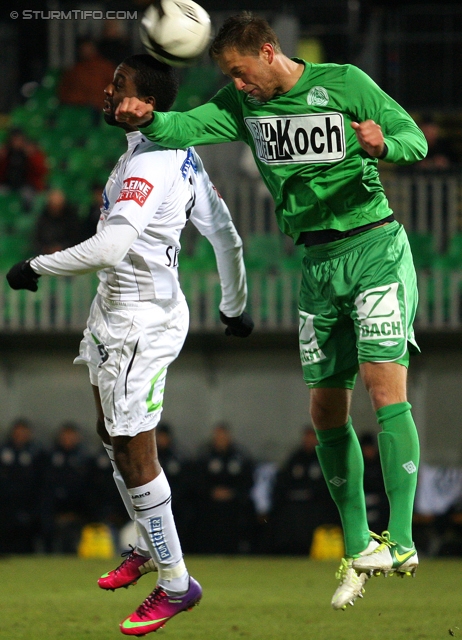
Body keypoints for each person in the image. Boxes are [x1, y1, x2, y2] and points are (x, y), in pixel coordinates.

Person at [114, 12, 427, 611]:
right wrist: (149, 117)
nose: (238, 84)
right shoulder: (240, 104)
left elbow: (415, 138)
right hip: (315, 265)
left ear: (267, 51)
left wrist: (383, 143)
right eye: (229, 76)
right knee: (325, 410)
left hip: (374, 247)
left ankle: (405, 542)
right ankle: (359, 549)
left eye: (240, 72)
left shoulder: (346, 82)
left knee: (382, 386)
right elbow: (187, 124)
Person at [6, 53, 253, 636]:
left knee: (135, 452)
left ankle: (175, 583)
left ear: (148, 104)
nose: (107, 94)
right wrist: (234, 308)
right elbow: (225, 235)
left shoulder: (154, 163)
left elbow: (111, 248)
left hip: (141, 321)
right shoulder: (175, 157)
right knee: (110, 437)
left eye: (118, 88)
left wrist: (35, 266)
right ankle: (147, 542)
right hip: (113, 314)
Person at [269, 426, 339, 555]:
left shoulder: (323, 458)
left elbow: (330, 482)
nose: (308, 440)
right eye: (306, 437)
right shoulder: (295, 458)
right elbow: (283, 481)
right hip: (294, 504)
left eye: (312, 437)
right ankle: (288, 550)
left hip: (316, 504)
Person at [192, 422, 255, 554]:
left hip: (233, 506)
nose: (220, 439)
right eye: (217, 436)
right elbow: (197, 481)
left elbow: (248, 481)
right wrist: (211, 492)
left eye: (223, 436)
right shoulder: (205, 456)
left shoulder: (240, 457)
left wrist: (233, 493)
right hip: (210, 505)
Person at [0, 418, 44, 553]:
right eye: (18, 432)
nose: (20, 435)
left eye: (23, 432)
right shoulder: (3, 451)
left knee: (26, 544)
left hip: (27, 507)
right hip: (4, 507)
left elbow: (40, 484)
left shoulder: (36, 453)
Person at [58, 38, 116, 114]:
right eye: (83, 49)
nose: (86, 51)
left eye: (88, 48)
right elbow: (64, 91)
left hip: (100, 109)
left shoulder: (105, 67)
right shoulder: (74, 70)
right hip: (77, 109)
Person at [33, 187, 82, 255]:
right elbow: (38, 239)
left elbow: (76, 238)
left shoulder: (71, 218)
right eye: (53, 205)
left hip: (68, 254)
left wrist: (62, 247)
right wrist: (47, 249)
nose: (55, 208)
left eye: (58, 205)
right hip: (47, 254)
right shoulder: (43, 218)